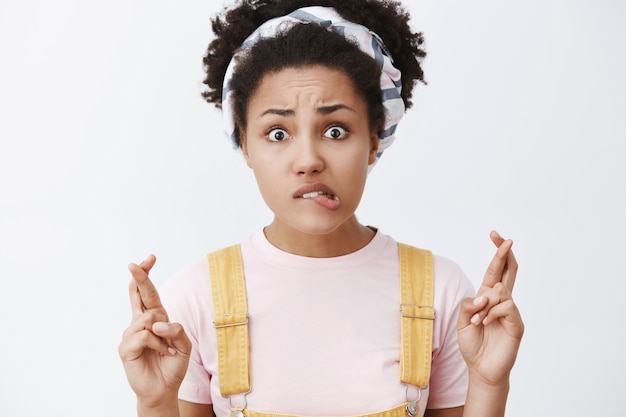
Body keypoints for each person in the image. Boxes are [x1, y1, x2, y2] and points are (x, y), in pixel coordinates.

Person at [118, 1, 524, 417]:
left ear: (374, 139)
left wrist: (491, 382)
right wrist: (154, 402)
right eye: (278, 133)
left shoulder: (443, 291)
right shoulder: (193, 298)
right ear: (244, 144)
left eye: (335, 130)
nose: (308, 159)